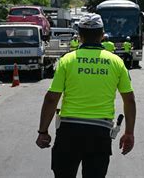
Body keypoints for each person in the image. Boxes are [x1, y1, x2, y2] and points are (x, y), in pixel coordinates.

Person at [36, 13, 136, 177]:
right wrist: (129, 132)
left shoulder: (67, 60)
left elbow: (52, 98)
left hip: (69, 132)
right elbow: (129, 100)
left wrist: (43, 131)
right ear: (102, 35)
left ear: (79, 36)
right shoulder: (116, 61)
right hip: (100, 133)